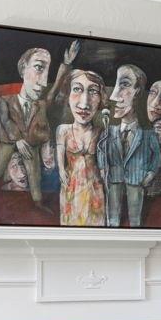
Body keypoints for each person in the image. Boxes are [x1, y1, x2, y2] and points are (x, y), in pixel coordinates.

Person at [0, 40, 80, 211]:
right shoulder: (5, 100)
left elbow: (54, 89)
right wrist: (17, 139)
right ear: (23, 68)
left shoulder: (40, 105)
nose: (42, 82)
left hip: (31, 144)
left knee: (35, 175)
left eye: (47, 71)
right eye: (39, 68)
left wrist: (66, 64)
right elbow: (5, 121)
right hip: (10, 141)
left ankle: (38, 203)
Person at [97, 62, 160, 226]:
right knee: (112, 216)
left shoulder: (147, 133)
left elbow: (157, 156)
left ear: (138, 91)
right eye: (117, 85)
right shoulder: (109, 130)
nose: (113, 96)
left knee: (135, 218)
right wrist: (103, 169)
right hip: (114, 177)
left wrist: (150, 174)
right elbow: (101, 150)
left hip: (136, 179)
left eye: (124, 84)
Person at [55, 66, 106, 226]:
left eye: (93, 91)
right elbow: (60, 151)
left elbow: (104, 160)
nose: (84, 104)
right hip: (71, 183)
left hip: (94, 184)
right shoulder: (63, 130)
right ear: (67, 95)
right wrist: (62, 170)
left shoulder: (101, 131)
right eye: (77, 89)